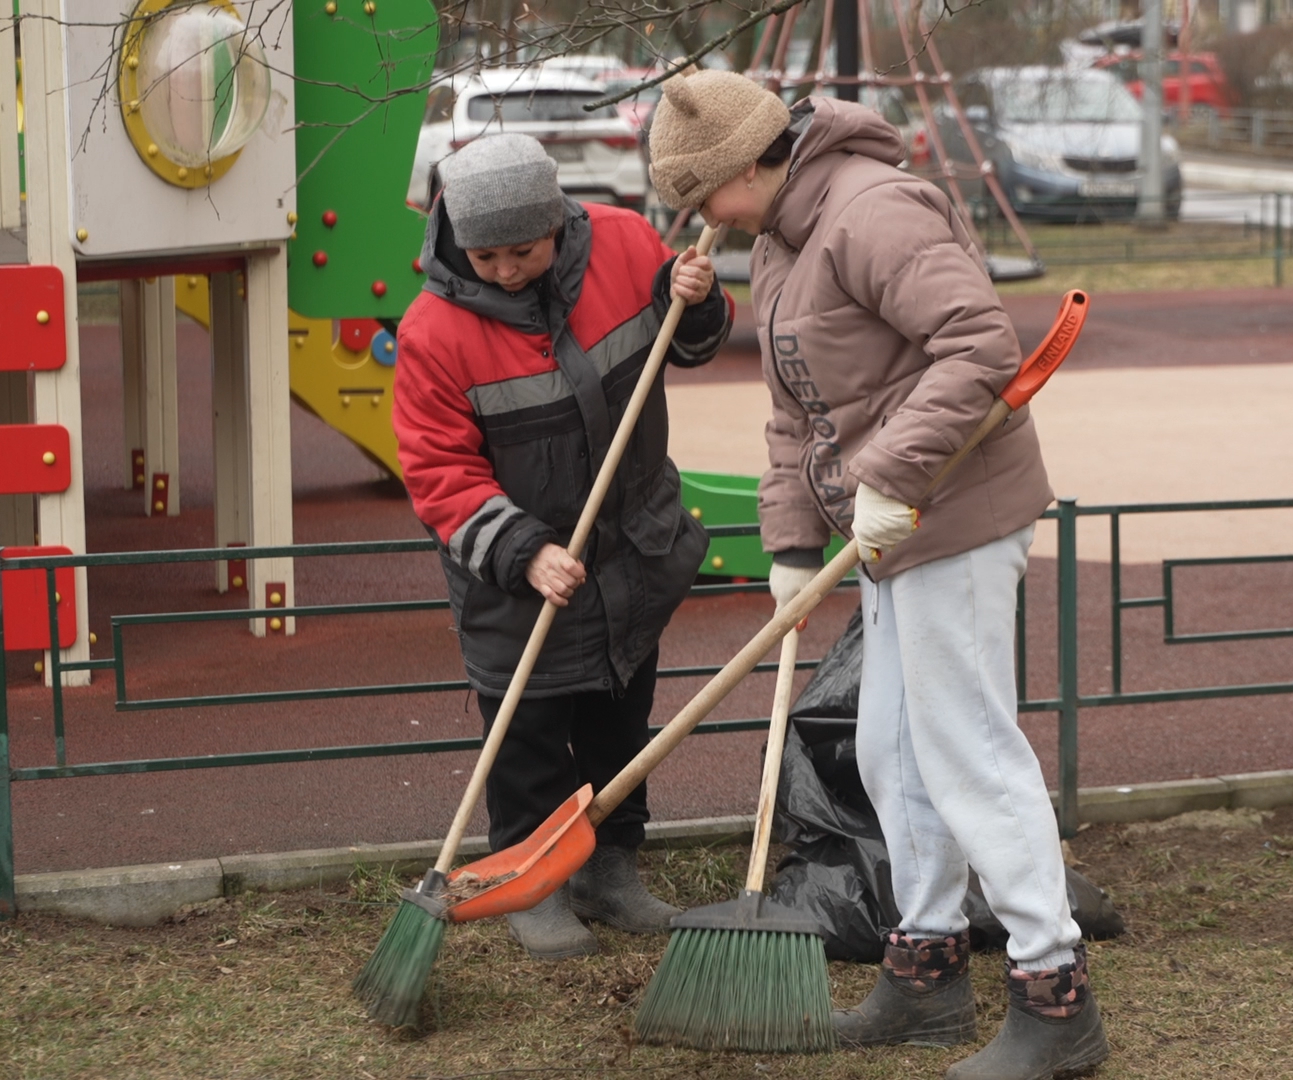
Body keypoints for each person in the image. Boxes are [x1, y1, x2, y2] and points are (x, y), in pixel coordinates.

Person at [646, 71, 1110, 1080]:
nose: (701, 225)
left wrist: (890, 476)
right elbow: (791, 412)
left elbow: (980, 346)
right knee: (892, 752)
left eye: (703, 197)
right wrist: (788, 546)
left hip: (956, 515)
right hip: (886, 526)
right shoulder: (777, 246)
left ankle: (1054, 992)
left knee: (971, 751)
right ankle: (925, 972)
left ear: (745, 165)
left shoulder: (872, 212)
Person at [391, 133, 730, 960]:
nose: (505, 269)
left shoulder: (623, 243)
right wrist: (524, 550)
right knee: (530, 738)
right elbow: (438, 471)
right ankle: (531, 880)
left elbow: (685, 347)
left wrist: (698, 297)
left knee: (623, 716)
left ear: (558, 222)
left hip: (632, 547)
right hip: (519, 581)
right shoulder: (433, 331)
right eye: (486, 254)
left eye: (523, 250)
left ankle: (609, 869)